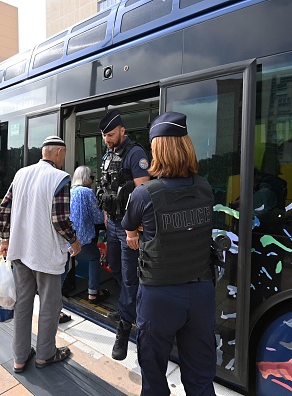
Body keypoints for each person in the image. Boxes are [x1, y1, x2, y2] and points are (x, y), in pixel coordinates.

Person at [122, 112, 216, 396]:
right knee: (200, 379)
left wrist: (137, 233)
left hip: (159, 296)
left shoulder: (144, 194)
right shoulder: (205, 188)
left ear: (157, 150)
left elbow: (129, 228)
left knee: (153, 379)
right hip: (201, 293)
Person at [0, 135, 81, 373]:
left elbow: (4, 209)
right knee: (49, 305)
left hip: (20, 251)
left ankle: (20, 357)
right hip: (46, 255)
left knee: (23, 303)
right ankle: (45, 354)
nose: (64, 159)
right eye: (63, 155)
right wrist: (74, 242)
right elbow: (60, 220)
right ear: (58, 153)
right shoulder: (60, 178)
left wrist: (5, 239)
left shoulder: (21, 174)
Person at [96, 109, 150, 360]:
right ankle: (128, 307)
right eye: (104, 135)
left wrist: (135, 228)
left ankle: (124, 329)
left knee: (129, 278)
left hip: (129, 227)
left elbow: (143, 193)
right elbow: (106, 186)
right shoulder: (109, 154)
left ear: (121, 130)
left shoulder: (135, 153)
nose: (107, 139)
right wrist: (107, 215)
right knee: (114, 267)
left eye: (110, 134)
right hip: (113, 224)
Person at [70, 166, 108, 303]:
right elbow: (98, 218)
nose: (92, 181)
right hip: (83, 237)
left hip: (69, 237)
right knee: (94, 257)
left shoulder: (71, 191)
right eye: (91, 177)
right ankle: (93, 293)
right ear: (86, 178)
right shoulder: (87, 192)